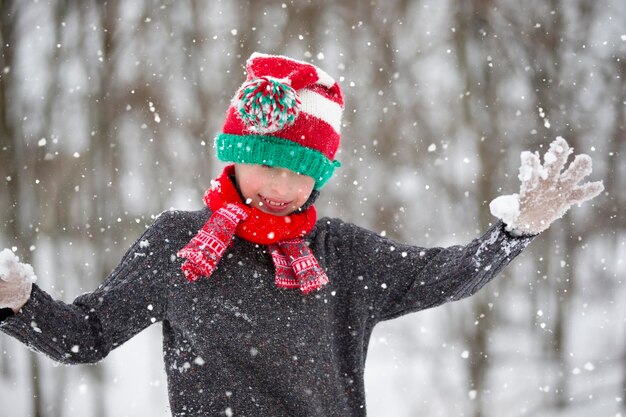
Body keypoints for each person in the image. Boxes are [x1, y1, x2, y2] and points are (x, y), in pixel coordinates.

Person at [0, 52, 604, 416]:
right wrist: (17, 301)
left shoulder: (341, 255)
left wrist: (513, 232)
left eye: (300, 172)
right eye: (266, 162)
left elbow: (443, 274)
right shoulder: (178, 245)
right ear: (233, 156)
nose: (280, 185)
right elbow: (84, 336)